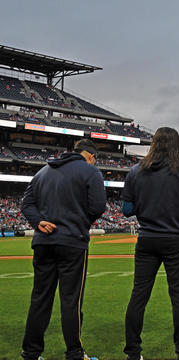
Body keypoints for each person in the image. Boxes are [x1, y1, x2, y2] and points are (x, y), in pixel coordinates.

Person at [20, 139, 106, 360]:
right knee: (71, 300)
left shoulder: (42, 172)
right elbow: (97, 207)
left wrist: (38, 221)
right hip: (73, 242)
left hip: (43, 242)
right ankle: (75, 353)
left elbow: (26, 204)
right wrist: (79, 223)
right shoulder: (90, 172)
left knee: (40, 298)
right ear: (90, 156)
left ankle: (31, 353)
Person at [121, 127, 179, 360]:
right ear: (176, 145)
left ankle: (133, 353)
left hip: (147, 239)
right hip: (175, 239)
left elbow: (127, 210)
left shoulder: (136, 171)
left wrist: (146, 203)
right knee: (178, 296)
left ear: (153, 144)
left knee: (139, 295)